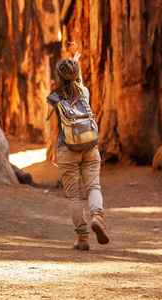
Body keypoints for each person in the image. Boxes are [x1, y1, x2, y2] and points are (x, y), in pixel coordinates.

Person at [47, 52, 109, 250]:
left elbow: (52, 127)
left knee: (74, 196)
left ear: (58, 75)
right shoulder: (84, 92)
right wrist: (75, 66)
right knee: (94, 187)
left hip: (66, 148)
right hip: (90, 147)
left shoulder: (54, 97)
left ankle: (83, 238)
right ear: (76, 73)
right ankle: (97, 216)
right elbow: (76, 81)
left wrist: (55, 151)